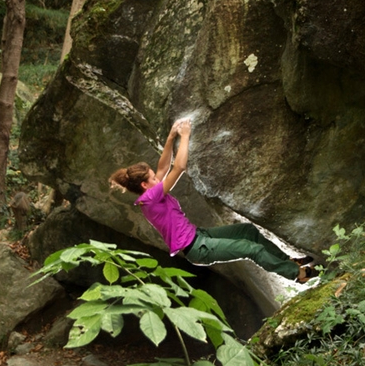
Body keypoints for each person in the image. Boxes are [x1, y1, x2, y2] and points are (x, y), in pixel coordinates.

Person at [109, 119, 317, 284]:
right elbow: (178, 167)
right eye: (153, 178)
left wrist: (171, 137)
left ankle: (286, 261)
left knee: (247, 231)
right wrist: (186, 136)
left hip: (200, 236)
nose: (158, 177)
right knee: (252, 249)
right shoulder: (150, 198)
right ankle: (297, 275)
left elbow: (163, 167)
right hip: (198, 248)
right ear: (145, 185)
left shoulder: (150, 194)